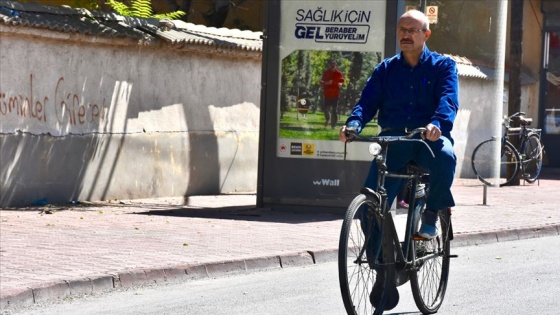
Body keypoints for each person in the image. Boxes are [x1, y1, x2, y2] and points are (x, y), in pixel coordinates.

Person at [339, 9, 458, 310]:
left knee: (446, 154)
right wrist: (353, 124)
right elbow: (367, 102)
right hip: (394, 140)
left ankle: (432, 213)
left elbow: (448, 100)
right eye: (402, 29)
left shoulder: (443, 66)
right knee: (369, 205)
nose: (406, 34)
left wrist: (438, 124)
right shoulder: (386, 69)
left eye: (413, 30)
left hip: (427, 138)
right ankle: (384, 267)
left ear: (426, 34)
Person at [320, 60, 345, 128]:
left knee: (334, 110)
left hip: (335, 94)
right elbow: (321, 81)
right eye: (331, 64)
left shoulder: (338, 73)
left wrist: (340, 84)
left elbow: (342, 81)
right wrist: (327, 82)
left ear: (335, 65)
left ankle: (333, 125)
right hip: (327, 94)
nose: (333, 65)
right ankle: (328, 119)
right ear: (329, 65)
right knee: (326, 110)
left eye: (334, 64)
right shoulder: (326, 72)